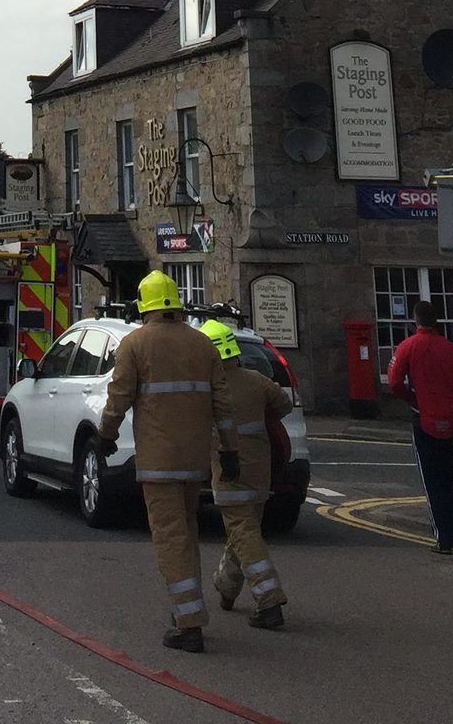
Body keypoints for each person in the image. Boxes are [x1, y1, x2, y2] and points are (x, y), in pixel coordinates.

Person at [97, 270, 234, 654]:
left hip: (159, 461)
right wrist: (230, 450)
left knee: (170, 538)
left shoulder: (135, 344)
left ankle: (189, 623)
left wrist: (106, 436)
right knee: (187, 533)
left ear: (144, 305)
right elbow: (222, 404)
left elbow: (118, 397)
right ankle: (186, 612)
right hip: (195, 461)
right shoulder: (203, 344)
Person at [202, 317, 293, 631]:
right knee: (243, 529)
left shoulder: (209, 389)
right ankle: (226, 588)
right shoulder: (256, 380)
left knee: (242, 531)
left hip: (229, 472)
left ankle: (269, 598)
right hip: (260, 472)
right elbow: (284, 405)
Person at [385, 298, 453, 552]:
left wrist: (411, 397)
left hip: (423, 417)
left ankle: (443, 536)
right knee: (449, 476)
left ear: (415, 320)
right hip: (450, 419)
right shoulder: (450, 349)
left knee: (431, 478)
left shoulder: (408, 346)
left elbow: (394, 381)